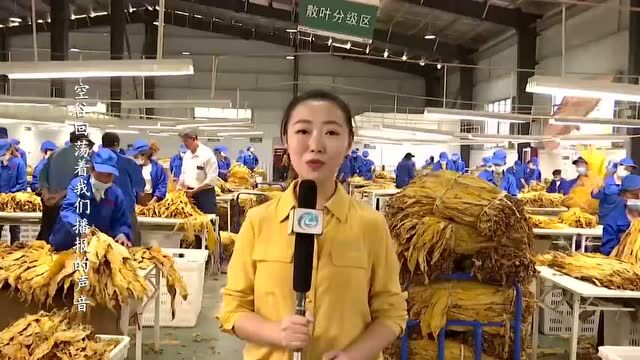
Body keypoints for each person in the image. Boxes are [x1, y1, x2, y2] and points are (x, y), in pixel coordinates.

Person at [218, 90, 407, 360]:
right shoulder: (258, 221)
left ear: (349, 143)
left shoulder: (371, 225)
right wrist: (278, 333)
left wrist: (353, 356)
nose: (316, 144)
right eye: (303, 131)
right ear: (286, 139)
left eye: (331, 132)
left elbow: (391, 312)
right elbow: (233, 310)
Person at [49, 148, 133, 251]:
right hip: (68, 244)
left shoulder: (115, 193)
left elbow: (121, 220)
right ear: (91, 170)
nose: (104, 179)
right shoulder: (78, 185)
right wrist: (83, 229)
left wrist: (122, 234)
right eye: (101, 173)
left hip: (96, 249)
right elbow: (68, 210)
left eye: (109, 175)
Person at [37, 130, 94, 242]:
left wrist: (47, 194)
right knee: (62, 242)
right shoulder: (84, 160)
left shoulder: (54, 155)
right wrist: (58, 196)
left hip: (48, 204)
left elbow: (42, 177)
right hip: (67, 206)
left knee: (46, 239)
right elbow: (80, 185)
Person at [102, 132, 145, 246]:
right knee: (131, 245)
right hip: (125, 208)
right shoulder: (128, 162)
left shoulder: (93, 162)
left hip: (101, 208)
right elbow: (139, 185)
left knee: (102, 246)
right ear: (117, 144)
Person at [593, 157, 637, 255]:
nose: (628, 172)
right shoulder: (605, 183)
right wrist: (596, 189)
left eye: (630, 170)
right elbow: (595, 195)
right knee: (608, 249)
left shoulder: (631, 184)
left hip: (625, 221)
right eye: (626, 169)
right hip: (608, 221)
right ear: (619, 167)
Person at [177, 130, 218, 215]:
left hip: (205, 195)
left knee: (207, 221)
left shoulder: (207, 154)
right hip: (189, 193)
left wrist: (195, 190)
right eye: (183, 141)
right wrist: (179, 185)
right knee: (192, 222)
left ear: (193, 139)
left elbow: (211, 178)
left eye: (186, 141)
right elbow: (183, 174)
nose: (184, 144)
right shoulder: (187, 155)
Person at [0, 139, 26, 243]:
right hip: (1, 201)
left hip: (14, 201)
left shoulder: (18, 163)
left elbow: (22, 184)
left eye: (3, 153)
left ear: (10, 151)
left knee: (15, 230)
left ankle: (15, 251)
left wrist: (9, 194)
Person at [128, 139, 168, 206]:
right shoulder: (133, 168)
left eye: (136, 156)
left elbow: (162, 185)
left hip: (152, 200)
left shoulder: (157, 168)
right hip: (136, 201)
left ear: (144, 155)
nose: (134, 158)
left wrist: (154, 200)